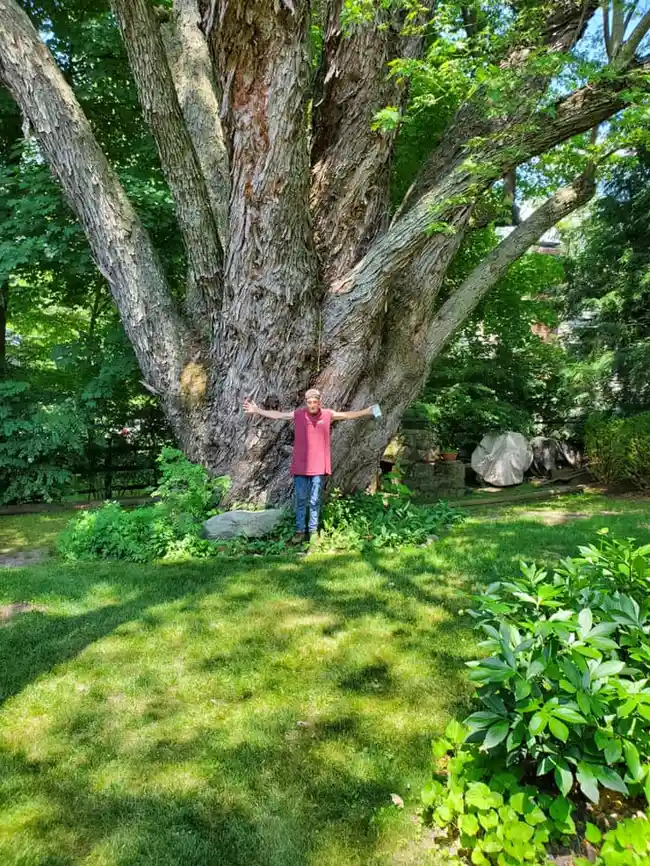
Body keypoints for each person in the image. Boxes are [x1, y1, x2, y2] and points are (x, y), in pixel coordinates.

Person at [243, 389, 380, 542]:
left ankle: (313, 532)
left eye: (315, 402)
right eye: (309, 402)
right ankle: (300, 531)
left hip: (318, 465)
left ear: (319, 402)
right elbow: (278, 415)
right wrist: (257, 410)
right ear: (306, 403)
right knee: (301, 499)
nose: (312, 405)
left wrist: (367, 411)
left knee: (315, 500)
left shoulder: (328, 414)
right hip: (301, 465)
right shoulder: (299, 414)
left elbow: (347, 415)